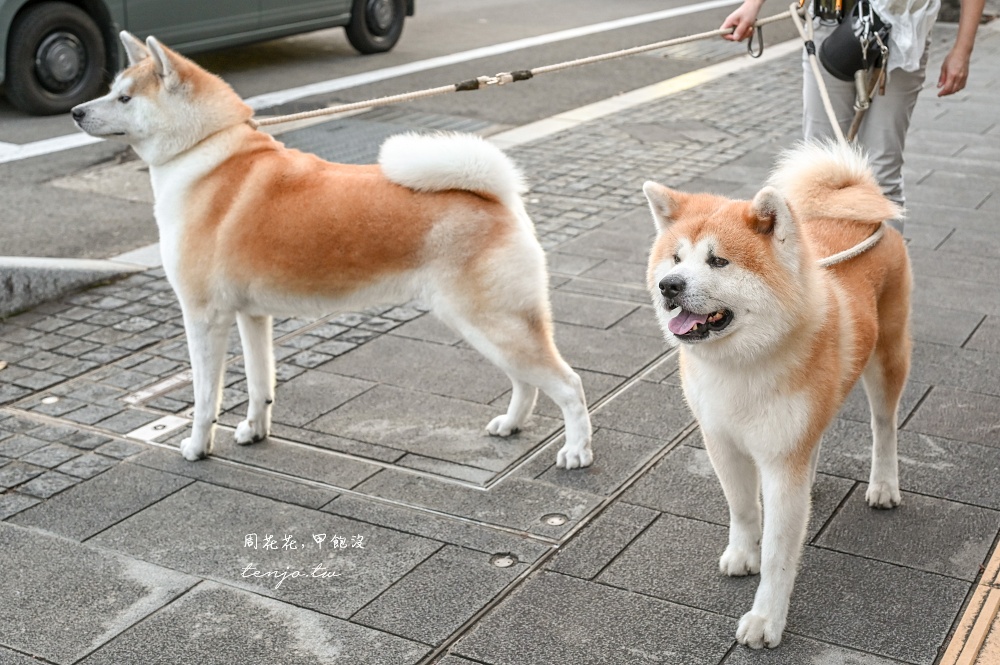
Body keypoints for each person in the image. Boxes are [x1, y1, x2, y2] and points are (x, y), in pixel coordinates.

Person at [721, 0, 986, 228]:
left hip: (904, 30)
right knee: (816, 169)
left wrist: (963, 50)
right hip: (830, 25)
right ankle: (822, 270)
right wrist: (752, 5)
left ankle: (881, 277)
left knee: (882, 172)